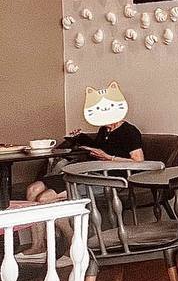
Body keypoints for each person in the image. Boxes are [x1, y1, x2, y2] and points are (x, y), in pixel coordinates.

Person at [20, 94, 144, 258]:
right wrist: (80, 139)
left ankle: (73, 244)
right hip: (87, 172)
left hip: (107, 180)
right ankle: (38, 246)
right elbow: (99, 148)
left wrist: (109, 158)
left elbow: (138, 161)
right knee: (32, 189)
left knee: (44, 199)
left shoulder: (130, 131)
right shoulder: (104, 130)